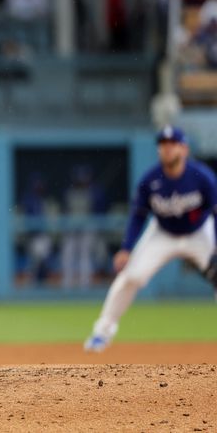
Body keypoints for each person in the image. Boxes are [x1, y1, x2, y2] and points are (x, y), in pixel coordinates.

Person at [84, 126, 217, 352]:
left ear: (184, 149)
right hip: (162, 233)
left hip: (199, 231)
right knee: (131, 276)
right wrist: (126, 248)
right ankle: (101, 333)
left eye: (172, 144)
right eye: (163, 145)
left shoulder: (202, 177)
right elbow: (138, 217)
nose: (167, 149)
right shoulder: (150, 181)